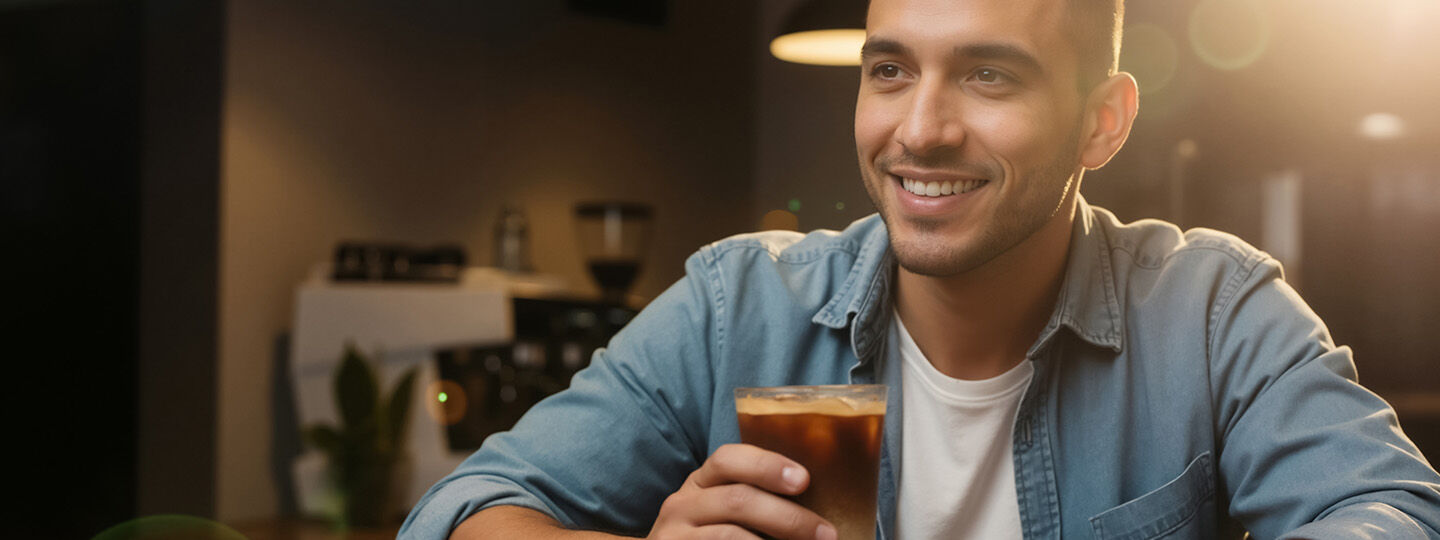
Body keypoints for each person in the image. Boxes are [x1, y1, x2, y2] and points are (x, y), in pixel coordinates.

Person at [401, 0, 1440, 537]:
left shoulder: (1211, 310)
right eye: (890, 70)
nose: (921, 130)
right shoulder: (740, 305)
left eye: (990, 75)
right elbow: (466, 508)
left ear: (1103, 122)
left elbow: (1394, 511)